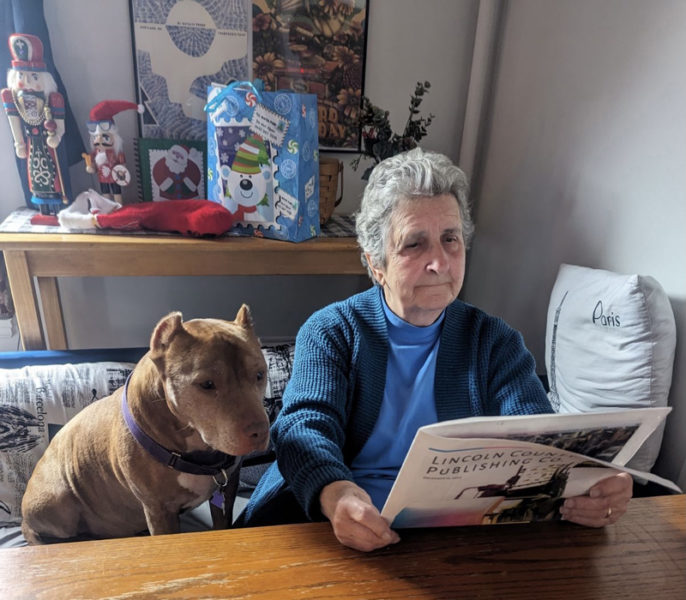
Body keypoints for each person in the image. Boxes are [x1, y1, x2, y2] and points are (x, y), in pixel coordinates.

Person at [239, 148, 633, 551]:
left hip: (456, 538)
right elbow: (304, 425)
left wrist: (590, 484)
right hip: (334, 528)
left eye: (451, 239)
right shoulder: (331, 331)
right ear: (376, 263)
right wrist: (335, 494)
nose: (440, 262)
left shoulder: (494, 341)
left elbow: (536, 441)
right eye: (415, 244)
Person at [1, 33, 67, 215]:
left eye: (34, 77)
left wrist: (57, 135)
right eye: (22, 75)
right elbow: (14, 122)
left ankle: (53, 208)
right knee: (35, 179)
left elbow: (60, 124)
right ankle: (42, 210)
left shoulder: (53, 99)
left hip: (47, 143)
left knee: (52, 178)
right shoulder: (12, 97)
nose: (27, 82)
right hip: (32, 143)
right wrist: (19, 143)